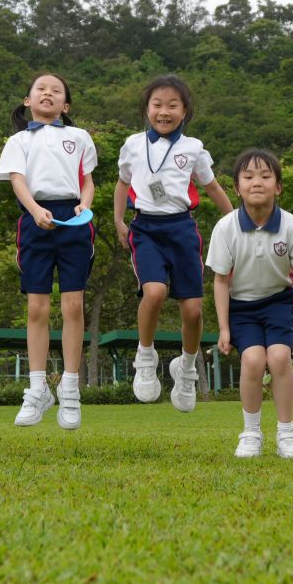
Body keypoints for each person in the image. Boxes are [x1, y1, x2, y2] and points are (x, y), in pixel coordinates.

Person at [114, 74, 236, 410]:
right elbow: (123, 184)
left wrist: (237, 225)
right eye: (157, 105)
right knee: (154, 292)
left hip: (182, 229)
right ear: (146, 109)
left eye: (172, 105)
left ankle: (185, 369)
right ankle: (146, 356)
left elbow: (212, 188)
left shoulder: (193, 148)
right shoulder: (133, 144)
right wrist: (118, 220)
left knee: (193, 311)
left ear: (185, 111)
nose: (164, 112)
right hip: (146, 229)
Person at [0, 72, 98, 430]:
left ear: (65, 105)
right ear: (28, 101)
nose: (48, 94)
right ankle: (38, 388)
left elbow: (86, 179)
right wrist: (35, 210)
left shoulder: (79, 137)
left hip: (74, 222)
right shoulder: (18, 140)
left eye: (56, 91)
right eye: (41, 89)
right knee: (37, 307)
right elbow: (17, 179)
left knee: (73, 305)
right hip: (35, 220)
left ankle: (70, 388)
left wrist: (84, 205)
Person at [208, 149, 293, 458]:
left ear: (278, 186)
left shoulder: (290, 225)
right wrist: (224, 329)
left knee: (280, 358)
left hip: (279, 303)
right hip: (241, 306)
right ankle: (251, 433)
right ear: (237, 188)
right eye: (249, 177)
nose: (258, 182)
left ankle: (287, 433)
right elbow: (220, 281)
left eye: (266, 176)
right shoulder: (226, 228)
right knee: (253, 361)